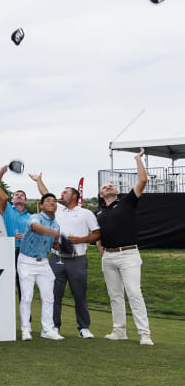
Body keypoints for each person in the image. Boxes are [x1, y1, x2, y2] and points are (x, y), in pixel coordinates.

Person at [30, 172, 100, 339]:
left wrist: (81, 239)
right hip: (56, 258)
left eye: (65, 192)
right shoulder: (58, 209)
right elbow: (45, 194)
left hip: (78, 259)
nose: (62, 194)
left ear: (75, 196)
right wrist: (39, 180)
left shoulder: (86, 213)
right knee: (53, 294)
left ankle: (84, 328)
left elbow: (97, 234)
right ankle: (53, 327)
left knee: (79, 294)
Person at [96, 148, 153, 345]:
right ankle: (119, 331)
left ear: (117, 191)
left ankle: (145, 334)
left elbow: (142, 181)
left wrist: (138, 159)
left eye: (111, 185)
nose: (108, 186)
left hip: (128, 254)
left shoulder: (127, 202)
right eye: (105, 186)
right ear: (101, 194)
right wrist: (99, 246)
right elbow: (98, 233)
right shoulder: (99, 213)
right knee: (115, 296)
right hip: (108, 257)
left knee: (134, 292)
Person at [18, 193, 64, 341]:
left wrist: (62, 245)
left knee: (49, 297)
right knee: (27, 297)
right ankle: (26, 330)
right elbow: (35, 228)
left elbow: (54, 244)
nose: (52, 203)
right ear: (42, 205)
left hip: (44, 262)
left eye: (54, 201)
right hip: (26, 261)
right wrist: (52, 233)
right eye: (48, 201)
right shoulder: (35, 217)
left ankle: (47, 330)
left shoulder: (56, 224)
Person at [3, 185, 32, 313]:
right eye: (16, 194)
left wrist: (26, 236)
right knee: (4, 285)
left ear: (25, 201)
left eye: (22, 195)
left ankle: (26, 320)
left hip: (24, 253)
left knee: (24, 286)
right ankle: (3, 317)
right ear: (12, 200)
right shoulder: (6, 209)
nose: (19, 195)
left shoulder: (31, 217)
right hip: (6, 252)